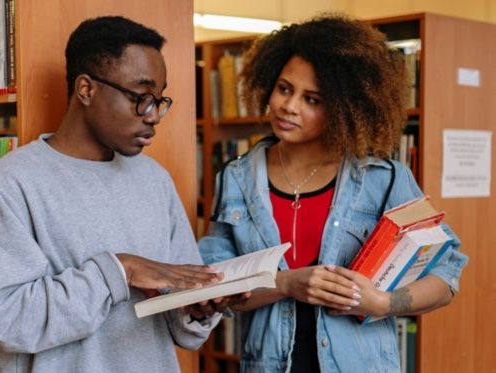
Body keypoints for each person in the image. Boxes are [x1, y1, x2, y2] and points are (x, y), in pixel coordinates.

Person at [198, 13, 468, 372]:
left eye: (313, 99)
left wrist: (384, 303)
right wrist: (284, 284)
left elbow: (447, 275)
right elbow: (214, 288)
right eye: (284, 88)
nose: (289, 106)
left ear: (344, 107)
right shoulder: (235, 178)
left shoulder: (383, 178)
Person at [0, 16, 226, 372]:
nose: (153, 116)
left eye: (159, 100)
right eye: (141, 97)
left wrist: (196, 307)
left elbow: (181, 324)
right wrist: (120, 270)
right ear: (86, 89)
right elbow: (9, 323)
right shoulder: (9, 185)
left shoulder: (155, 180)